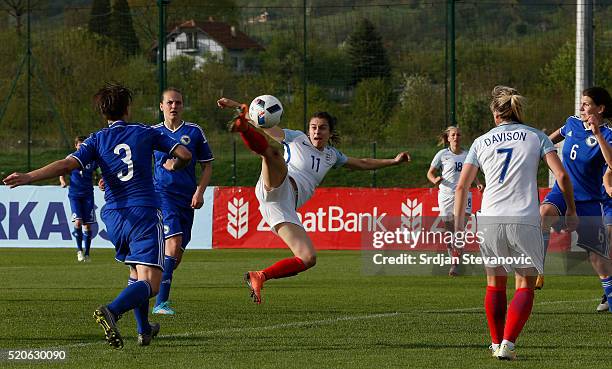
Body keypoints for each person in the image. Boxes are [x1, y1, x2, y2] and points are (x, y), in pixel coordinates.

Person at [3, 83, 192, 349]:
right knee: (152, 284)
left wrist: (28, 176)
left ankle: (144, 329)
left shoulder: (96, 139)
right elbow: (184, 153)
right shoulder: (145, 132)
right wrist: (175, 163)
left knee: (135, 272)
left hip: (113, 217)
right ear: (128, 108)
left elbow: (67, 164)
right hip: (143, 212)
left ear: (104, 113)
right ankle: (112, 311)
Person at [217, 97, 410, 304]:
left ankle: (260, 276)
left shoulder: (332, 156)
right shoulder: (296, 138)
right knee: (272, 156)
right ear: (308, 130)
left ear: (330, 132)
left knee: (308, 258)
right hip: (281, 183)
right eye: (314, 127)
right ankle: (243, 130)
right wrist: (240, 109)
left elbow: (362, 162)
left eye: (322, 128)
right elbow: (263, 122)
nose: (317, 131)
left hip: (283, 206)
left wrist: (393, 161)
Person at [454, 86, 577, 360]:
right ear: (517, 110)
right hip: (524, 218)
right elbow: (562, 177)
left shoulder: (480, 142)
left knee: (495, 283)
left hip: (490, 218)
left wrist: (458, 225)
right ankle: (508, 344)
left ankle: (496, 342)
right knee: (524, 283)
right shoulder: (537, 137)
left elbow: (462, 188)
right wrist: (570, 208)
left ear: (496, 115)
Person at [539, 86, 612, 312]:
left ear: (600, 109)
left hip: (589, 199)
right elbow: (550, 139)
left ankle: (609, 296)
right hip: (562, 191)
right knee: (543, 214)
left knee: (597, 258)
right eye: (582, 103)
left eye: (587, 104)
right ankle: (538, 268)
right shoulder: (571, 123)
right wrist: (540, 148)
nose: (581, 107)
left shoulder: (608, 134)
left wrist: (597, 134)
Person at [151, 88, 214, 315]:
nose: (173, 107)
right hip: (162, 195)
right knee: (173, 243)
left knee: (175, 258)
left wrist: (199, 192)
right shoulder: (153, 133)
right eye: (169, 103)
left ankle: (145, 285)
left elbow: (207, 165)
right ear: (161, 106)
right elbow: (136, 161)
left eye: (178, 103)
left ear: (182, 106)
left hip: (187, 199)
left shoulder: (194, 131)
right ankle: (160, 304)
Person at [427, 126, 484, 276]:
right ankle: (455, 258)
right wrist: (435, 179)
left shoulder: (467, 154)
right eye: (453, 135)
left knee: (460, 231)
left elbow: (473, 170)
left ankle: (455, 264)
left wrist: (477, 182)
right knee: (449, 232)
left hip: (464, 194)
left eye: (459, 134)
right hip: (446, 195)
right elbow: (430, 173)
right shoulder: (442, 154)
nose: (456, 137)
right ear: (448, 138)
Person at [59, 136, 98, 262]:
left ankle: (87, 254)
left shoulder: (92, 159)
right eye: (79, 145)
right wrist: (62, 181)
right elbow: (61, 170)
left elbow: (101, 170)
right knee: (78, 222)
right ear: (76, 146)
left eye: (83, 145)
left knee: (87, 226)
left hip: (88, 194)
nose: (81, 147)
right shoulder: (71, 158)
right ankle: (79, 251)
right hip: (75, 194)